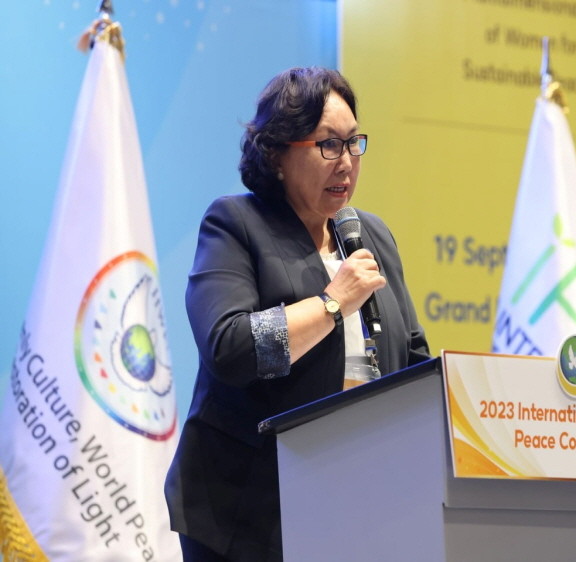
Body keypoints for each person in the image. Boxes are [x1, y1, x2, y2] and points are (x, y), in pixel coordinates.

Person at [164, 66, 431, 561]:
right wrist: (332, 303)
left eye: (353, 143)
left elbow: (413, 358)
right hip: (246, 514)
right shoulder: (236, 224)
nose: (346, 161)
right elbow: (230, 349)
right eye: (328, 145)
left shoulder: (371, 235)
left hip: (360, 504)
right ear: (276, 154)